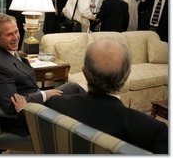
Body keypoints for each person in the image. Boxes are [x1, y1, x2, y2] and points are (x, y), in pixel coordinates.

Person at [11, 39, 168, 154]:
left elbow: (32, 127)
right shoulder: (152, 130)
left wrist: (25, 111)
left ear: (85, 73)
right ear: (127, 75)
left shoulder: (56, 103)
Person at [0, 14, 86, 136]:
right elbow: (11, 105)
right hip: (27, 116)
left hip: (34, 101)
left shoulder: (3, 51)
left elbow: (16, 67)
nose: (16, 37)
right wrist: (44, 95)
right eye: (9, 34)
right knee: (75, 93)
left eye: (16, 31)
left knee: (74, 91)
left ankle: (90, 124)